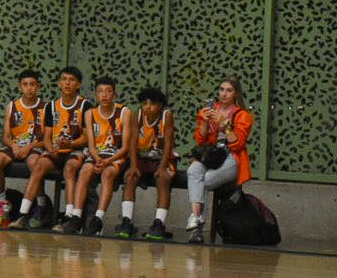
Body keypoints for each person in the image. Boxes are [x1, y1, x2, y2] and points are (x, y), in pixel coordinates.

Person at [11, 66, 91, 230]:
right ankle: (23, 214)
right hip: (56, 149)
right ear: (59, 84)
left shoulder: (85, 105)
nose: (67, 83)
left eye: (71, 80)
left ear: (78, 84)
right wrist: (50, 148)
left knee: (69, 168)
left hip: (76, 149)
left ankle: (69, 217)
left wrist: (71, 144)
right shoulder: (51, 106)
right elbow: (47, 137)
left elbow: (86, 137)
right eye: (64, 79)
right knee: (39, 164)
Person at [186, 76, 254, 243]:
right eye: (221, 89)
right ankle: (196, 217)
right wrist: (204, 121)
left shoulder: (243, 115)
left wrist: (225, 125)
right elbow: (200, 141)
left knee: (206, 180)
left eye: (229, 90)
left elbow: (238, 145)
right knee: (193, 170)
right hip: (212, 154)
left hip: (232, 156)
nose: (224, 94)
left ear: (236, 94)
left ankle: (197, 230)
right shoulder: (210, 109)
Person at [61, 78, 131, 236]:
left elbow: (125, 147)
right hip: (97, 155)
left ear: (114, 94)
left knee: (107, 174)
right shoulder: (89, 114)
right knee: (85, 170)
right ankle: (76, 216)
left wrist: (108, 161)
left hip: (116, 155)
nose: (104, 95)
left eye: (108, 91)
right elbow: (91, 145)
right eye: (100, 91)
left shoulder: (124, 112)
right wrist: (98, 158)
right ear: (96, 94)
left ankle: (98, 219)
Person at [118, 87, 176, 240]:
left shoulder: (166, 115)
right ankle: (127, 221)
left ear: (161, 105)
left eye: (152, 104)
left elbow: (169, 143)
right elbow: (132, 141)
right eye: (145, 104)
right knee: (130, 178)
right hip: (142, 158)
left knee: (163, 180)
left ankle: (159, 223)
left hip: (162, 159)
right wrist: (134, 165)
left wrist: (162, 167)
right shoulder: (137, 115)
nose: (148, 107)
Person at [0, 69, 46, 227]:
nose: (29, 88)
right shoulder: (12, 106)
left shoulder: (45, 107)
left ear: (38, 87)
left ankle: (41, 205)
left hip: (35, 146)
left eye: (32, 84)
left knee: (35, 163)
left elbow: (47, 139)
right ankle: (2, 204)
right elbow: (5, 136)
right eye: (25, 84)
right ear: (20, 87)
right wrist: (14, 146)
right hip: (15, 146)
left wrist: (30, 146)